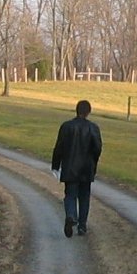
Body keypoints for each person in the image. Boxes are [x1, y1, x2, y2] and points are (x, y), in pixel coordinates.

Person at [50, 99, 102, 238]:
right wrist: (94, 164)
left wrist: (55, 165)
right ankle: (82, 226)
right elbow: (97, 149)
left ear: (76, 110)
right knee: (84, 197)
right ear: (89, 112)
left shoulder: (66, 126)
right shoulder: (93, 128)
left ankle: (71, 215)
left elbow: (59, 147)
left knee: (70, 195)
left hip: (70, 167)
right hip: (87, 168)